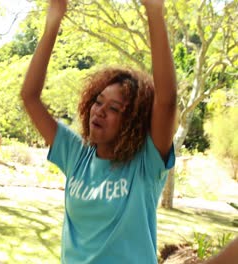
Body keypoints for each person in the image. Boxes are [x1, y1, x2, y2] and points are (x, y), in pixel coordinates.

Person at [21, 0, 177, 263]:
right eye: (98, 101)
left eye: (114, 108)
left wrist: (154, 11)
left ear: (133, 121)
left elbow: (167, 101)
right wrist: (54, 19)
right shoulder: (76, 154)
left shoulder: (145, 164)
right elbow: (30, 97)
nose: (99, 111)